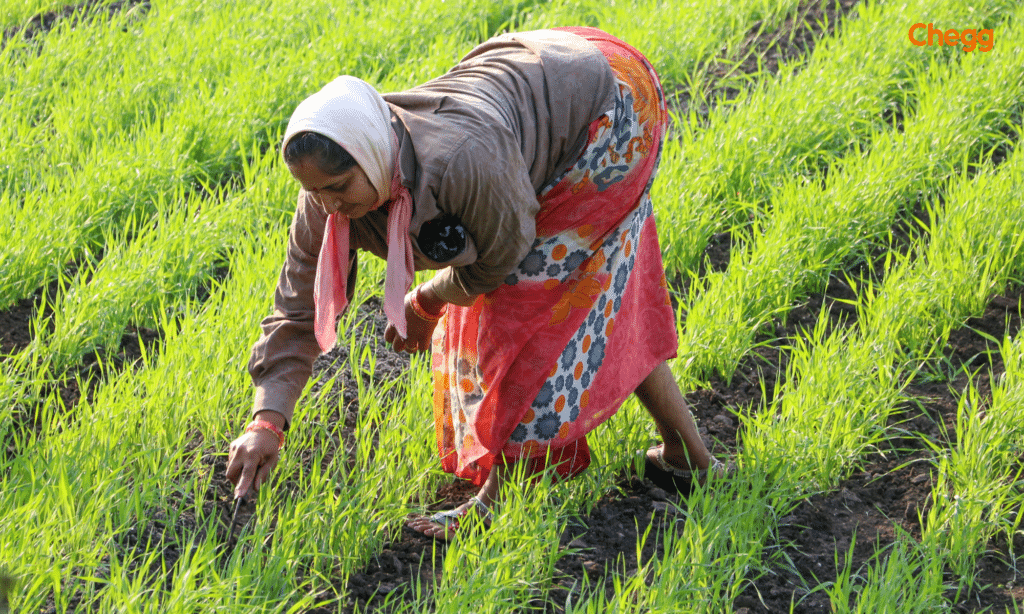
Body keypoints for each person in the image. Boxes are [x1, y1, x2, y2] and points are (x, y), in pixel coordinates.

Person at [226, 26, 724, 541]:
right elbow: (298, 309)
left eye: (337, 188)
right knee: (598, 299)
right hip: (540, 90)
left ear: (373, 151)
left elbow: (504, 256)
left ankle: (494, 500)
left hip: (609, 112)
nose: (328, 205)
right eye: (313, 192)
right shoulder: (326, 203)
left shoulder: (460, 160)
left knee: (523, 314)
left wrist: (430, 298)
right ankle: (687, 458)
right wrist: (267, 422)